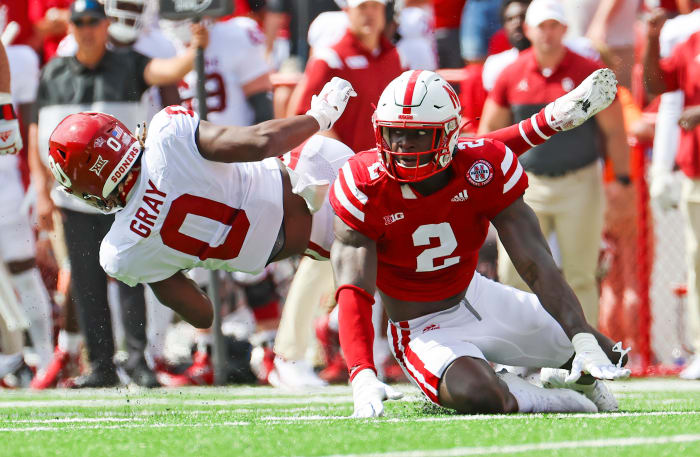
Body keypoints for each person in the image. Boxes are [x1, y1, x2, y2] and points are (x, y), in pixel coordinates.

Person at [329, 68, 629, 418]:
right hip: (423, 329)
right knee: (479, 393)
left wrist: (580, 336)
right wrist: (361, 373)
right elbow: (353, 289)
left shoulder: (482, 168)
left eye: (418, 136)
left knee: (608, 354)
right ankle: (544, 399)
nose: (402, 146)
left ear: (447, 135)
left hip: (476, 297)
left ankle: (566, 378)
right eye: (394, 133)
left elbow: (536, 263)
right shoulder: (364, 185)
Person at [45, 77, 357, 332]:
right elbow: (260, 142)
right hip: (315, 168)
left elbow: (202, 314)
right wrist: (320, 116)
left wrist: (175, 257)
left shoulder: (122, 251)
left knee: (395, 274)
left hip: (310, 241)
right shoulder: (167, 134)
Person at [27, 0, 210, 388]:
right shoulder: (53, 72)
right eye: (80, 21)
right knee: (85, 282)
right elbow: (34, 134)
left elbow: (170, 70)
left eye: (94, 20)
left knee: (133, 276)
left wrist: (195, 47)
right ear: (71, 26)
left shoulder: (128, 63)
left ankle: (139, 360)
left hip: (126, 193)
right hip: (71, 199)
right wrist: (41, 190)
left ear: (107, 24)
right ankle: (102, 365)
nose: (87, 28)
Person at [478, 0, 631, 328]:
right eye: (541, 26)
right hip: (527, 185)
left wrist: (622, 179)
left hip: (580, 181)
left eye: (553, 26)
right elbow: (489, 133)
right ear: (529, 30)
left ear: (564, 29)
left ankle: (587, 351)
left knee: (581, 273)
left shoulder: (586, 71)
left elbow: (615, 129)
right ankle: (521, 350)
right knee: (516, 273)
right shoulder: (511, 72)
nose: (547, 33)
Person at [643, 7, 700, 380]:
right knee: (698, 262)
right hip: (696, 170)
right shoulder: (691, 42)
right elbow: (657, 85)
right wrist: (650, 38)